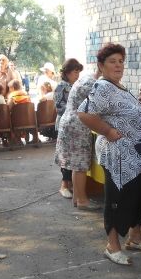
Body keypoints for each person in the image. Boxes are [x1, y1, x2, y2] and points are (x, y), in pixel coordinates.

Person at [78, 43, 141, 265]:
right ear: (101, 66)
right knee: (118, 200)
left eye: (121, 61)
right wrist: (107, 131)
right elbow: (84, 114)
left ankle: (135, 237)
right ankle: (112, 246)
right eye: (112, 61)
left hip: (139, 157)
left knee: (138, 197)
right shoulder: (102, 87)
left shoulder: (119, 87)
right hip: (120, 158)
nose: (118, 65)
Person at [54, 59, 83, 199]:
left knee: (74, 156)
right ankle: (64, 185)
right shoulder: (61, 86)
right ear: (67, 72)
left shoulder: (76, 85)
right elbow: (59, 107)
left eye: (78, 72)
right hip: (65, 125)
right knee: (66, 156)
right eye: (75, 72)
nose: (77, 75)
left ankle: (71, 184)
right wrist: (75, 111)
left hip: (76, 124)